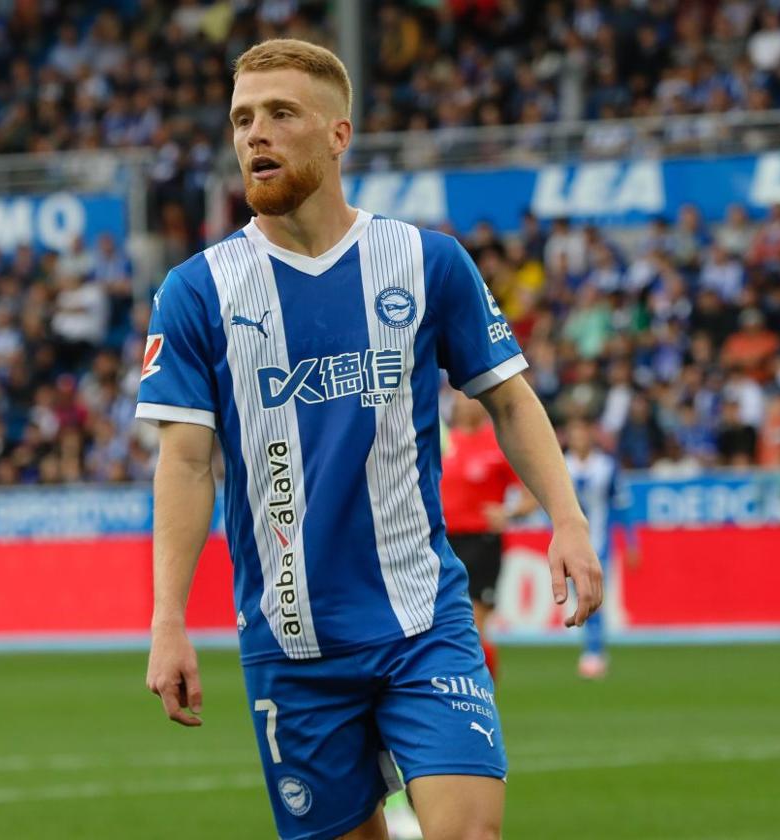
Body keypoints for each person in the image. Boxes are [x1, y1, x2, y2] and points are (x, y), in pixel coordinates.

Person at [137, 39, 602, 840]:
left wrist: (567, 517)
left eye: (281, 114)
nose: (257, 134)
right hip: (292, 641)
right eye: (243, 118)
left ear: (337, 133)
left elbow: (510, 398)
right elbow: (184, 462)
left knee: (469, 832)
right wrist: (167, 618)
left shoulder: (426, 262)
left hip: (421, 620)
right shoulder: (196, 292)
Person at [439, 389, 537, 680]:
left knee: (475, 623)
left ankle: (484, 691)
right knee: (445, 624)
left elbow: (532, 494)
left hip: (481, 543)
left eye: (468, 397)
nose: (462, 402)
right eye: (457, 397)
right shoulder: (443, 442)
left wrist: (509, 513)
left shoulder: (496, 444)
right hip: (441, 543)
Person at [564, 417, 631, 679]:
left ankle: (594, 650)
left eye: (582, 433)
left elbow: (620, 505)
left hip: (600, 544)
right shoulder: (561, 465)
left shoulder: (606, 466)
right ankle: (592, 648)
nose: (578, 438)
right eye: (574, 433)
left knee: (594, 597)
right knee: (580, 596)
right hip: (571, 545)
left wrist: (630, 541)